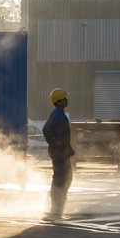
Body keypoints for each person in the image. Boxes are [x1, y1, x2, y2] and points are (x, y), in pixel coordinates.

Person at [42, 87, 75, 220]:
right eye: (64, 98)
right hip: (59, 153)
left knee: (67, 177)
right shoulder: (55, 114)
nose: (67, 100)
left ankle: (59, 207)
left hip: (63, 152)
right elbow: (46, 129)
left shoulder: (60, 114)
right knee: (60, 179)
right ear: (58, 101)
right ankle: (55, 209)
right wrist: (55, 143)